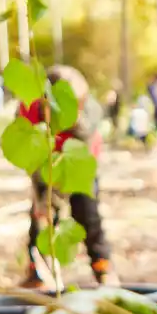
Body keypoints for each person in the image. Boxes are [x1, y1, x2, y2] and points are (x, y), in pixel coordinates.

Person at [20, 65, 114, 287]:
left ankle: (103, 267)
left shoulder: (89, 111)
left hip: (81, 162)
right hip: (47, 163)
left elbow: (85, 146)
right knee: (41, 217)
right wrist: (43, 190)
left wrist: (75, 122)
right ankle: (37, 271)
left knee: (88, 213)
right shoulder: (30, 110)